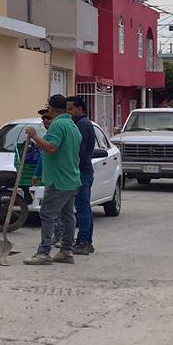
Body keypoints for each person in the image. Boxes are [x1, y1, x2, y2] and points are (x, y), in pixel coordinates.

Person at [22, 94, 83, 265]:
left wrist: (34, 136)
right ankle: (66, 251)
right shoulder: (72, 126)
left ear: (51, 108)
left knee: (48, 214)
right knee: (68, 216)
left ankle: (44, 252)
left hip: (58, 179)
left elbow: (51, 148)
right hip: (71, 177)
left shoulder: (58, 125)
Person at [70, 97, 98, 255]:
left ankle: (83, 241)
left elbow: (78, 151)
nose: (68, 112)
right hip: (85, 170)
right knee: (84, 207)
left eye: (70, 108)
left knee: (82, 207)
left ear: (79, 109)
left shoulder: (81, 125)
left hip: (81, 171)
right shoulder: (85, 124)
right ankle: (86, 240)